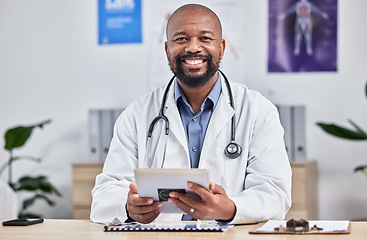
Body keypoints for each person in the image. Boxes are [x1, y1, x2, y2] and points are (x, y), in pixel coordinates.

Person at [90, 4, 291, 225]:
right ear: (167, 49)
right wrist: (127, 206)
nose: (193, 48)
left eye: (205, 38)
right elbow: (104, 194)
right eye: (181, 39)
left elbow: (275, 193)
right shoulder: (137, 115)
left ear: (221, 48)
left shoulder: (258, 111)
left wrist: (232, 209)